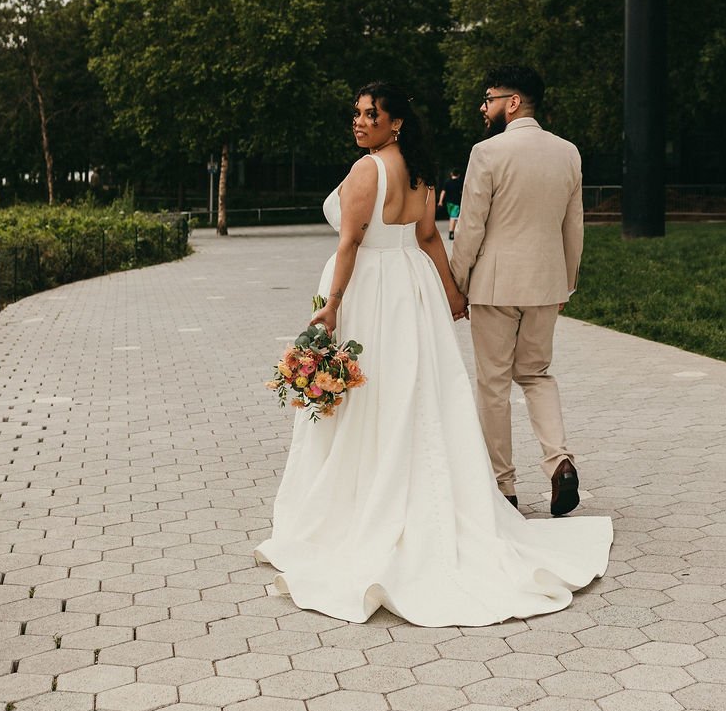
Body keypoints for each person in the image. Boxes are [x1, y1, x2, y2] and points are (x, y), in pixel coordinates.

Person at [255, 82, 611, 627]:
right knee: (413, 391)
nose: (359, 122)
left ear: (394, 123)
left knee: (369, 398)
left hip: (369, 291)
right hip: (411, 293)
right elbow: (428, 239)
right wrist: (449, 293)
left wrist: (331, 306)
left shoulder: (365, 173)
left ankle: (363, 504)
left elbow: (348, 244)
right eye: (356, 113)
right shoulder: (420, 172)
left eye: (370, 114)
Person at [449, 66, 584, 516]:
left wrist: (458, 282)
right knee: (537, 374)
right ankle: (559, 462)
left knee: (493, 384)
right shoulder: (568, 153)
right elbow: (574, 226)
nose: (483, 108)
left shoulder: (486, 153)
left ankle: (503, 488)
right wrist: (567, 280)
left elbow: (471, 226)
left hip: (494, 283)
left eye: (488, 99)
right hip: (546, 282)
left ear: (512, 102)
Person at [438, 167, 463, 241]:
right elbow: (462, 192)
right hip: (456, 202)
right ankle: (451, 232)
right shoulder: (460, 182)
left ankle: (453, 232)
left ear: (451, 174)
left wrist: (440, 201)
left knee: (453, 216)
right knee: (454, 217)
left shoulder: (447, 182)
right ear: (458, 175)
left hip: (449, 203)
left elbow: (443, 192)